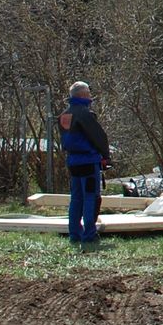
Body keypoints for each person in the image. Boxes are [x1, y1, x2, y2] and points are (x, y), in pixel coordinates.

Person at [58, 81, 110, 248]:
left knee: (76, 198)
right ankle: (89, 234)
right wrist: (106, 156)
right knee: (91, 198)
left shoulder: (65, 115)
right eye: (88, 93)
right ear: (82, 95)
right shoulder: (85, 114)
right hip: (88, 161)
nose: (90, 96)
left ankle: (74, 233)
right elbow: (98, 136)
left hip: (73, 161)